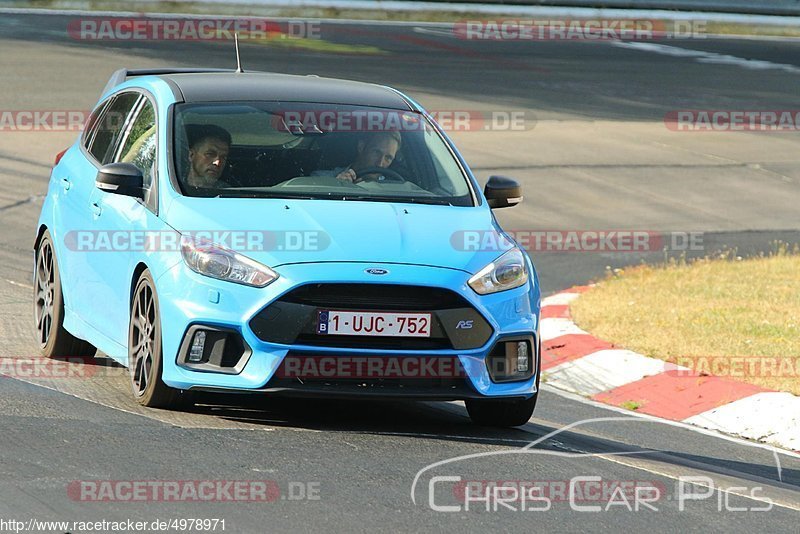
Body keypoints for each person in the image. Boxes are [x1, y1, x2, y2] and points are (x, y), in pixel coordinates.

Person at [319, 131, 401, 184]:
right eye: (376, 152)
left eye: (388, 158)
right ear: (361, 147)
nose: (380, 163)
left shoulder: (398, 189)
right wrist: (336, 186)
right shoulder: (325, 178)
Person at [185, 124, 232, 188]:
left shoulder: (229, 193)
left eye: (223, 157)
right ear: (191, 155)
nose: (217, 163)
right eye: (210, 154)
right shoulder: (172, 187)